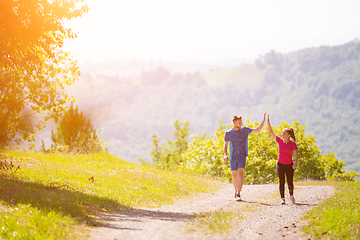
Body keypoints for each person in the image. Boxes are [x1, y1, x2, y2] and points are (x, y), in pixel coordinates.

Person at [223, 113, 266, 201]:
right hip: (233, 157)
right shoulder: (228, 133)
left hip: (242, 156)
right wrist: (225, 154)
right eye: (239, 122)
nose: (241, 124)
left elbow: (257, 130)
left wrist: (263, 121)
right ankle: (236, 191)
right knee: (234, 175)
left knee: (240, 173)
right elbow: (225, 145)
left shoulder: (245, 130)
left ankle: (238, 193)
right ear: (234, 122)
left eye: (241, 122)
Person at [267, 114, 298, 204]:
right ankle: (282, 198)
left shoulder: (292, 144)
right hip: (280, 164)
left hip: (289, 165)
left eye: (284, 133)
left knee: (290, 181)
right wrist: (268, 121)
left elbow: (296, 154)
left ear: (288, 135)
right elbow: (271, 132)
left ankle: (291, 195)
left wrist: (295, 163)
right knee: (281, 181)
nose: (282, 134)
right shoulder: (280, 140)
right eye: (282, 133)